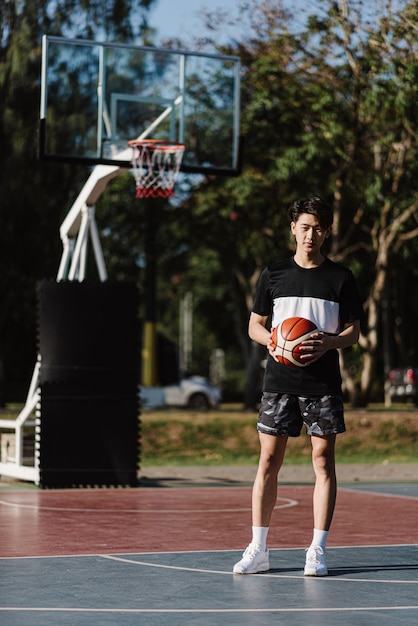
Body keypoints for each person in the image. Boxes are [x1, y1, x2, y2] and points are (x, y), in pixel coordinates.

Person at [233, 197, 364, 576]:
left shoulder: (341, 277)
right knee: (269, 461)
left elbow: (353, 332)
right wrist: (272, 340)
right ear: (293, 228)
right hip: (279, 382)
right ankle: (258, 547)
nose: (311, 234)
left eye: (319, 228)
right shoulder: (273, 274)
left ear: (328, 231)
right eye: (305, 227)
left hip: (322, 383)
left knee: (323, 462)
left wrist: (330, 341)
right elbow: (254, 325)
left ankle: (317, 550)